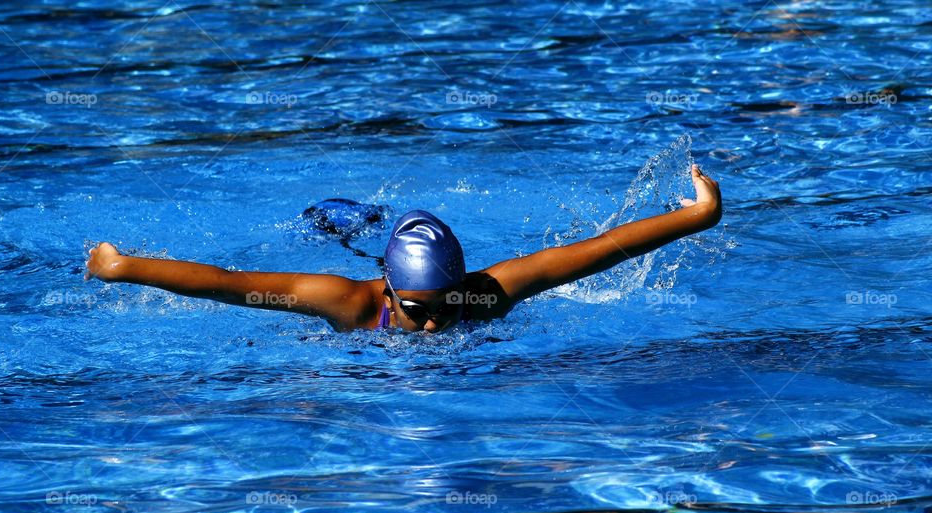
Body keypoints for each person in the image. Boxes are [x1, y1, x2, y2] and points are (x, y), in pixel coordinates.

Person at [84, 165, 722, 333]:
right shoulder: (350, 303)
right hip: (352, 264)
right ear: (390, 291)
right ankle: (340, 221)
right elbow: (229, 284)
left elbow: (604, 249)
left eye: (445, 304)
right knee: (337, 231)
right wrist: (122, 266)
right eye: (417, 309)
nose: (436, 323)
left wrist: (699, 216)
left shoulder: (485, 295)